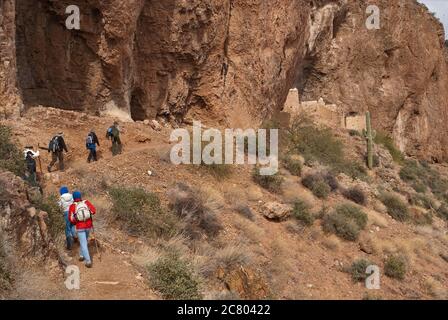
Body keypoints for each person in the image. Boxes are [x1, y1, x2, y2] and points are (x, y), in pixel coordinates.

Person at [69, 191, 96, 268]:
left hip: (80, 226)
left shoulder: (72, 206)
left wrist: (76, 221)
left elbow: (71, 219)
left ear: (73, 197)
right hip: (88, 225)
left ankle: (88, 261)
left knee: (83, 243)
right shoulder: (86, 202)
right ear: (80, 196)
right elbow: (94, 211)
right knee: (84, 241)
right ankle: (81, 255)